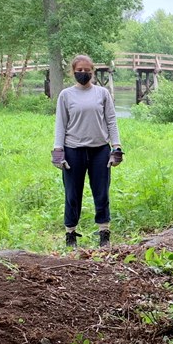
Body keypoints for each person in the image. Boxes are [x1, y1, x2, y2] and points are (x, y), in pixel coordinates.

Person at [52, 53, 122, 247]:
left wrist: (116, 147)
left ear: (93, 71)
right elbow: (61, 123)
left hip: (99, 150)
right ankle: (70, 234)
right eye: (79, 70)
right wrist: (58, 151)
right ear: (73, 72)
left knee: (102, 193)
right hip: (73, 150)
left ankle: (104, 233)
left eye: (87, 70)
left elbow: (111, 121)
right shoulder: (66, 95)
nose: (83, 73)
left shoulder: (102, 93)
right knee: (72, 194)